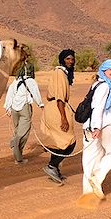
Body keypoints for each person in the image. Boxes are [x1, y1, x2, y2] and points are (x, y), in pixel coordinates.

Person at [81, 59, 111, 200]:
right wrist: (96, 127)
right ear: (103, 70)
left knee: (91, 158)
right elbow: (98, 107)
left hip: (89, 127)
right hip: (103, 125)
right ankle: (97, 177)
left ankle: (88, 193)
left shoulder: (97, 84)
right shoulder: (106, 86)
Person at [38, 49, 77, 185]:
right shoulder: (60, 73)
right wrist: (63, 118)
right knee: (69, 142)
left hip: (56, 107)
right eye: (68, 59)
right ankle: (52, 166)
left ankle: (54, 168)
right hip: (58, 109)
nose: (71, 61)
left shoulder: (62, 73)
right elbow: (60, 97)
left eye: (72, 59)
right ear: (62, 60)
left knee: (60, 141)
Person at [3, 62, 44, 164]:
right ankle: (17, 152)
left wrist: (7, 107)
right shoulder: (31, 81)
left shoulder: (15, 81)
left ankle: (18, 153)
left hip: (14, 108)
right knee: (23, 133)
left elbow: (10, 95)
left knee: (18, 130)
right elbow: (36, 94)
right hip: (25, 107)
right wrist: (40, 104)